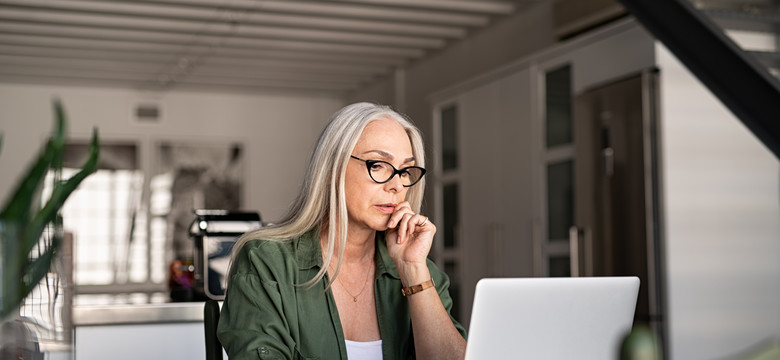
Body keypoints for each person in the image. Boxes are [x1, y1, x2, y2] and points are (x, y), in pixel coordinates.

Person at [217, 102, 467, 359]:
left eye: (405, 170)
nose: (396, 185)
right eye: (378, 165)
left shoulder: (421, 272)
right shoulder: (265, 261)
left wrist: (413, 271)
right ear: (331, 169)